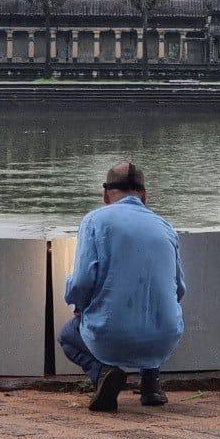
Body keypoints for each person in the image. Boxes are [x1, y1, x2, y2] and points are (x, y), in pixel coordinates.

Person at [59, 161, 185, 412]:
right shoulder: (165, 227)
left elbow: (82, 282)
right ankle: (151, 385)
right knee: (150, 308)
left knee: (67, 336)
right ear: (145, 196)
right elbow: (179, 289)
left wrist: (78, 306)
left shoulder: (94, 220)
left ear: (106, 194)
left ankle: (103, 373)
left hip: (113, 336)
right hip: (164, 338)